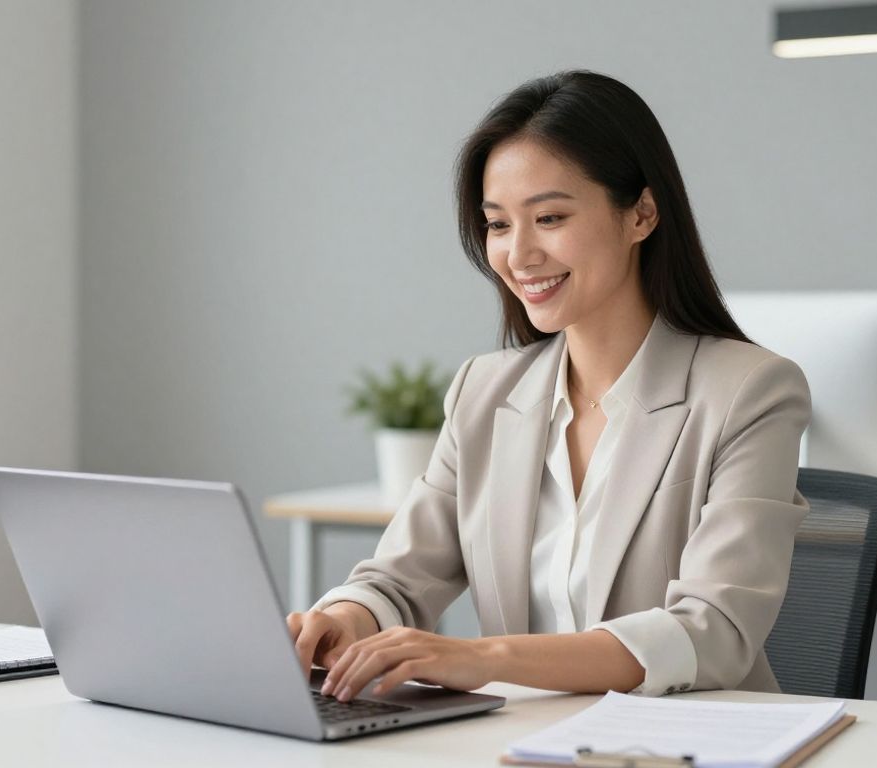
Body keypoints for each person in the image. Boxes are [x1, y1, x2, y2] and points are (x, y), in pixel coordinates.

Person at [287, 70, 811, 704]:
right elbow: (399, 580)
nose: (519, 254)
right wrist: (343, 621)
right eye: (499, 225)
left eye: (551, 217)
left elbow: (714, 632)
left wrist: (484, 658)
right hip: (527, 743)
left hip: (684, 744)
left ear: (641, 214)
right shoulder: (483, 392)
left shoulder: (749, 391)